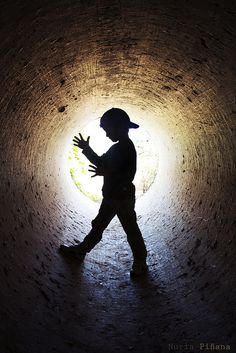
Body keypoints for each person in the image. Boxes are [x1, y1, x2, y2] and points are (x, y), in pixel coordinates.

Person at [60, 108, 147, 276]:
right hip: (112, 196)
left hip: (122, 198)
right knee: (99, 225)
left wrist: (108, 173)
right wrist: (86, 149)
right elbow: (101, 162)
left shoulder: (127, 148)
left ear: (120, 127)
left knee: (131, 230)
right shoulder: (117, 148)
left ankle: (141, 262)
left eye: (108, 130)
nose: (107, 134)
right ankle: (81, 250)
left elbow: (129, 174)